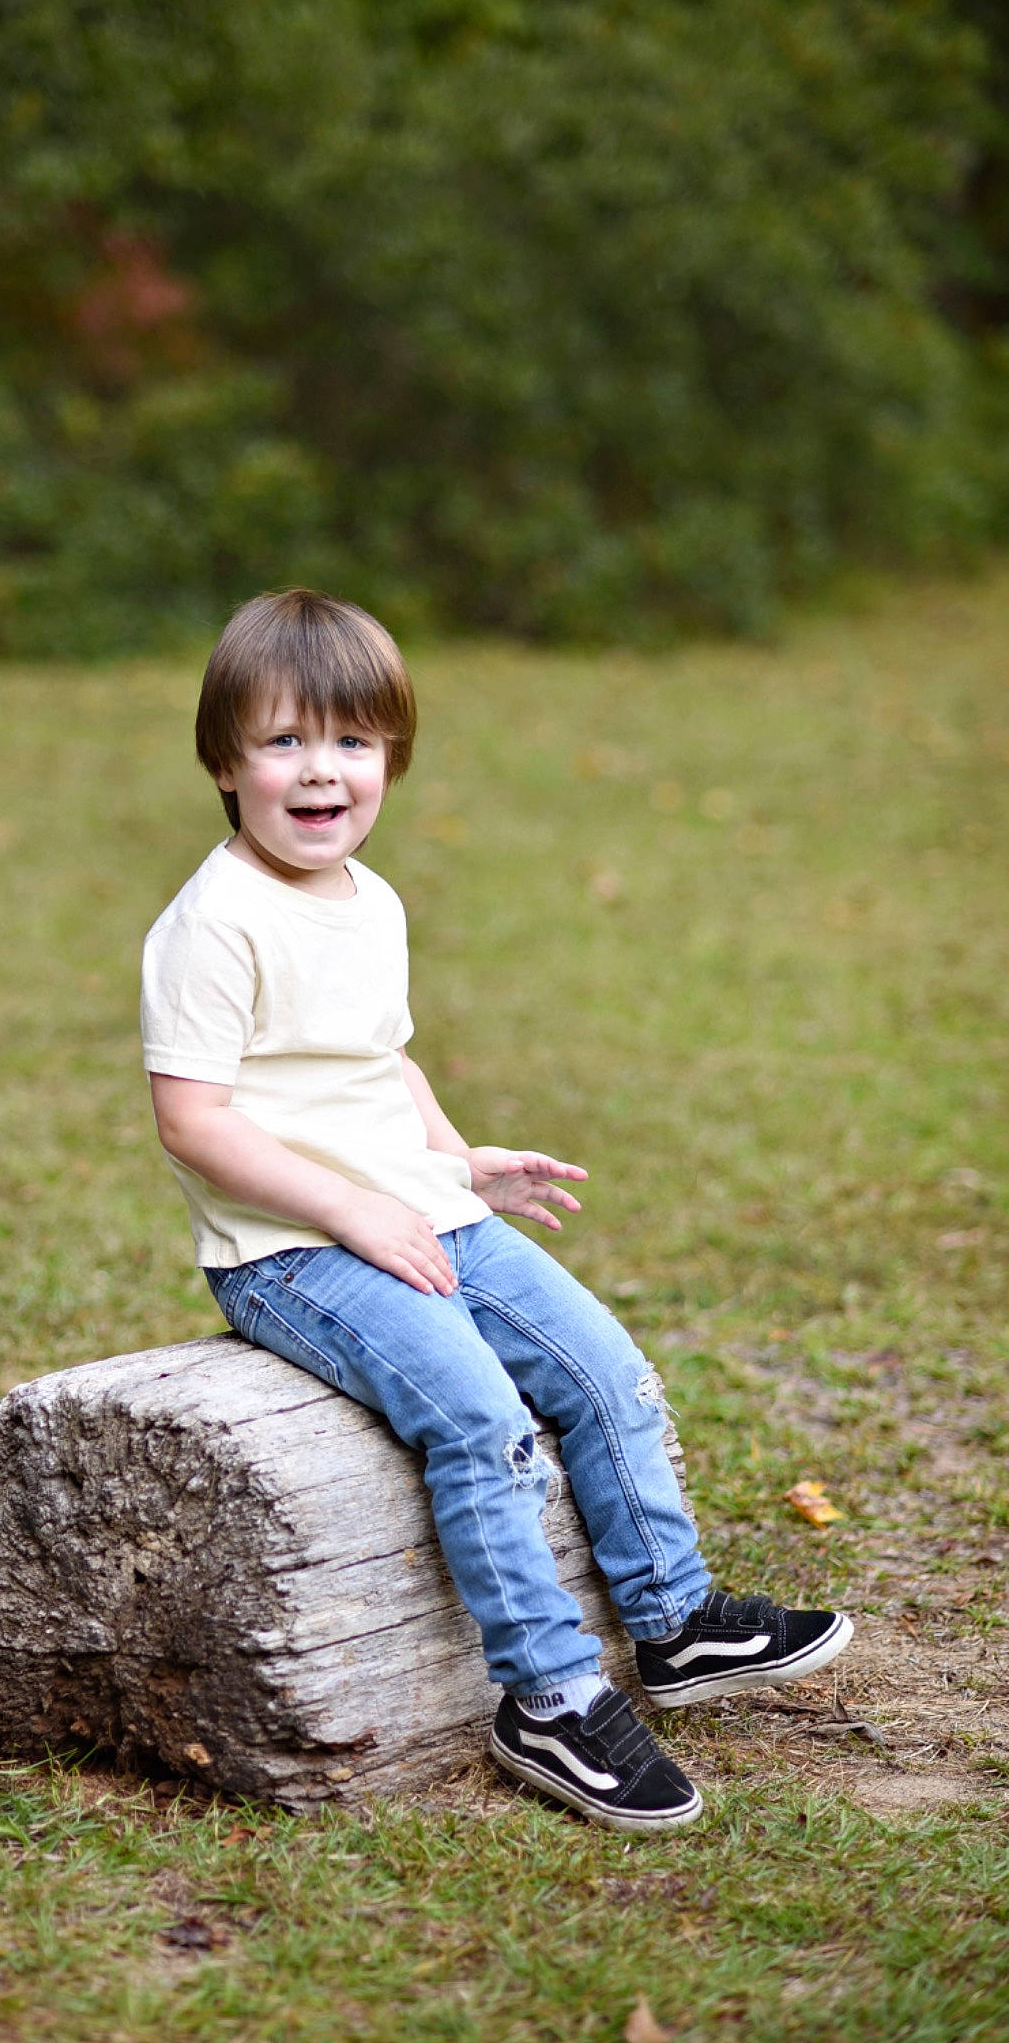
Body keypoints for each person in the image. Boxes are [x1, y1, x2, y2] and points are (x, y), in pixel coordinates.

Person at [140, 588, 852, 1832]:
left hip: (407, 1205)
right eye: (285, 741)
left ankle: (674, 1622)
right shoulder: (212, 924)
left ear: (390, 757)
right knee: (478, 1418)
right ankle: (551, 1697)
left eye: (353, 742)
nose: (322, 772)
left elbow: (378, 1064)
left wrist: (456, 1163)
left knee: (605, 1367)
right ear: (223, 760)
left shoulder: (371, 899)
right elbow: (193, 1119)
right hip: (292, 1248)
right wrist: (357, 1213)